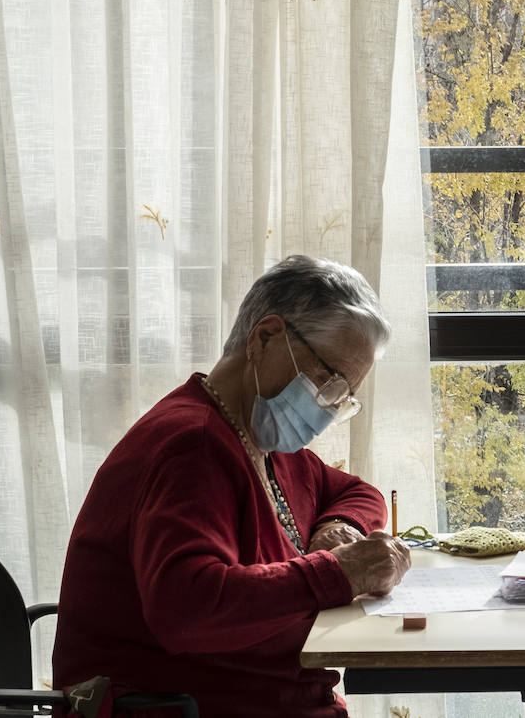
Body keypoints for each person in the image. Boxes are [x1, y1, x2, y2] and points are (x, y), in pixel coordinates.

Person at [53, 256, 412, 717]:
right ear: (265, 337)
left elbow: (357, 493)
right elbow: (188, 608)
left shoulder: (267, 444)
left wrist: (338, 526)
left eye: (343, 396)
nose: (328, 407)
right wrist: (339, 573)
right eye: (326, 380)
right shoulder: (193, 446)